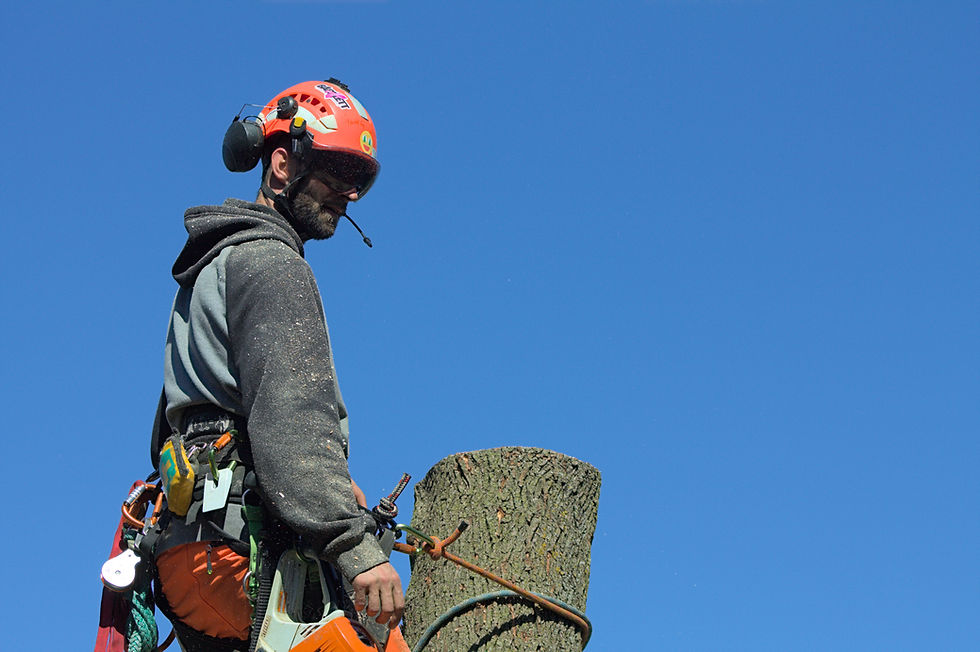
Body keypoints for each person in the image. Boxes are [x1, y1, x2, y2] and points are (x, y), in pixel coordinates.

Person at [148, 79, 405, 652]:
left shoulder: (214, 264)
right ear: (282, 164)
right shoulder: (273, 266)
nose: (348, 193)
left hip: (189, 554)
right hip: (242, 553)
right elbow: (294, 422)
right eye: (335, 171)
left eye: (358, 178)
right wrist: (354, 547)